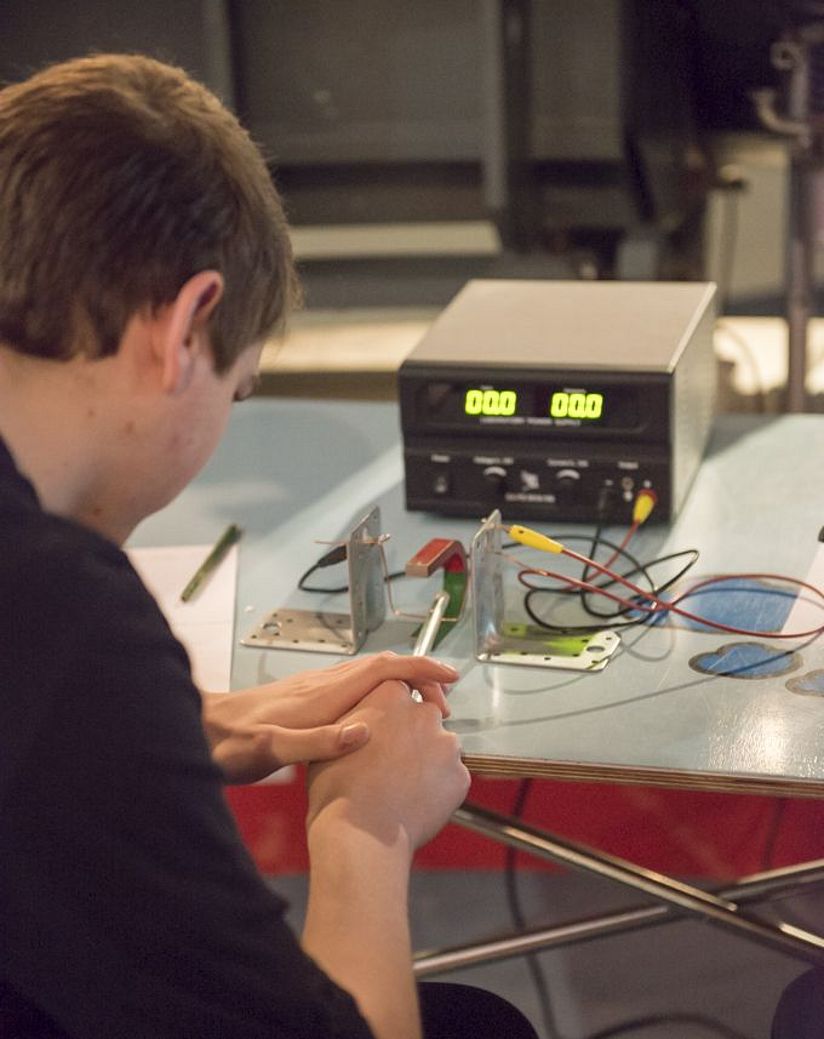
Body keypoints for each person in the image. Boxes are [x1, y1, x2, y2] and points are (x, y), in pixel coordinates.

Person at [0, 54, 539, 1039]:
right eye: (236, 388)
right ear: (187, 323)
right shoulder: (57, 603)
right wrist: (362, 829)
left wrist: (174, 725)